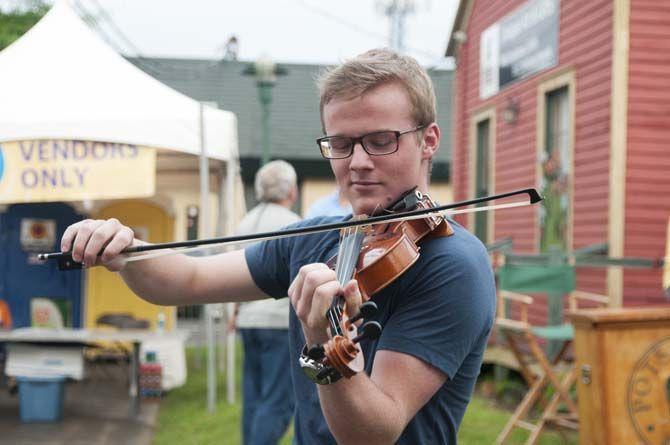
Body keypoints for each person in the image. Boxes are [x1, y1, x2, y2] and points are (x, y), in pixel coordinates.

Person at [60, 48, 496, 444]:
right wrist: (129, 250)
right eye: (341, 144)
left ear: (429, 141)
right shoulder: (316, 237)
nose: (358, 163)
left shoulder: (453, 263)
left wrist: (324, 342)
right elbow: (186, 279)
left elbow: (373, 433)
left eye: (381, 140)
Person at [230, 160, 300, 445]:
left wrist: (234, 313)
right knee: (277, 401)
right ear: (291, 191)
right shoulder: (294, 224)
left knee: (254, 399)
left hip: (248, 321)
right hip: (278, 324)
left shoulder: (244, 223)